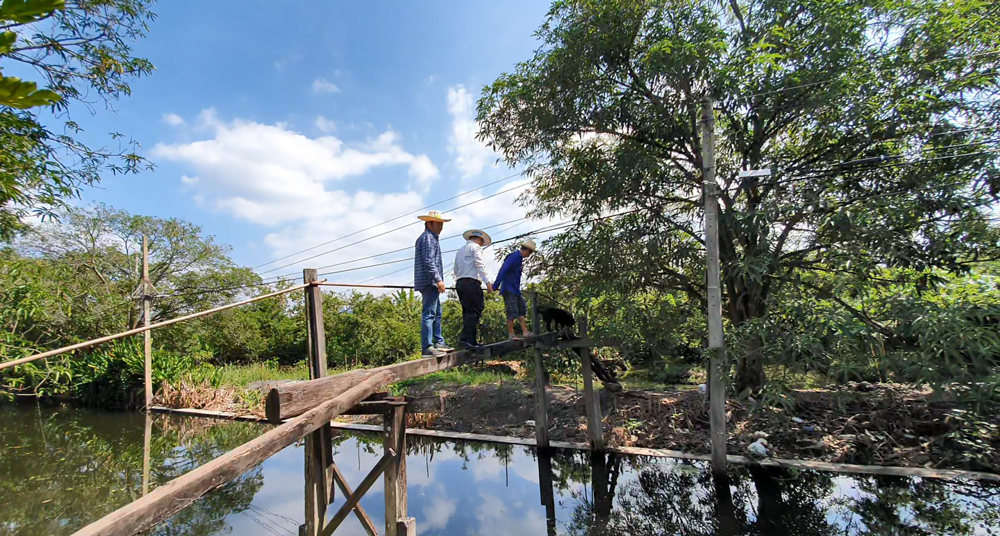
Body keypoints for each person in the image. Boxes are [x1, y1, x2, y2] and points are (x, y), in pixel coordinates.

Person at [414, 210, 453, 357]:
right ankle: (428, 347)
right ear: (429, 223)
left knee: (436, 313)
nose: (441, 227)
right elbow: (429, 261)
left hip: (431, 281)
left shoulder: (430, 238)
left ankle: (438, 342)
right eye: (439, 223)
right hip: (429, 281)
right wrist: (438, 279)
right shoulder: (428, 238)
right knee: (429, 314)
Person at [453, 229, 494, 350]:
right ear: (479, 240)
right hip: (471, 282)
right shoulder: (476, 248)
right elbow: (479, 264)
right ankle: (468, 340)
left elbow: (456, 269)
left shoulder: (459, 250)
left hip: (460, 282)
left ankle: (467, 340)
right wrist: (487, 282)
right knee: (476, 309)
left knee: (467, 311)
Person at [492, 239, 536, 340]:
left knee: (521, 308)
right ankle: (511, 334)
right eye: (530, 253)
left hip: (515, 289)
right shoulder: (514, 257)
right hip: (509, 288)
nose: (529, 255)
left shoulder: (519, 258)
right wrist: (495, 285)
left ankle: (525, 332)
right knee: (511, 310)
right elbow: (503, 269)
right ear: (527, 251)